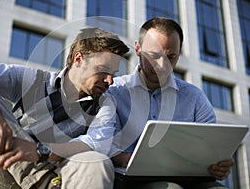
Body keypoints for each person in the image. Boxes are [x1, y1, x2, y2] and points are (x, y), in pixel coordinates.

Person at [0, 27, 129, 189]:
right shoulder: (34, 80)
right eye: (103, 70)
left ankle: (44, 179)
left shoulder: (105, 105)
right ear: (79, 59)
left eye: (113, 74)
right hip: (4, 173)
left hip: (57, 175)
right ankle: (41, 179)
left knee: (95, 161)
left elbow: (95, 144)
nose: (110, 81)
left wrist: (41, 151)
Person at [92, 17, 233, 189]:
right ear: (138, 48)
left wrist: (218, 164)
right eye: (154, 56)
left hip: (190, 179)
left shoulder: (195, 97)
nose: (162, 65)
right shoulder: (114, 92)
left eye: (171, 57)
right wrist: (145, 161)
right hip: (129, 180)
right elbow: (100, 146)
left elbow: (211, 146)